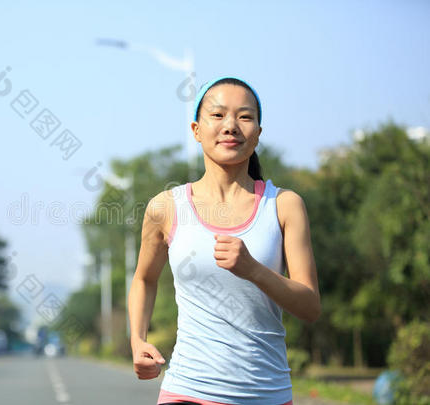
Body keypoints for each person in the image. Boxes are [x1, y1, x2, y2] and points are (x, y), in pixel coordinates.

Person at [127, 76, 321, 405]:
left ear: (258, 133)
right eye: (217, 115)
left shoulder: (284, 206)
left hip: (266, 394)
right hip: (186, 390)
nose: (230, 126)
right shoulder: (166, 208)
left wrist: (253, 270)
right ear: (196, 130)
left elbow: (310, 306)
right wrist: (137, 339)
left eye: (244, 117)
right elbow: (144, 279)